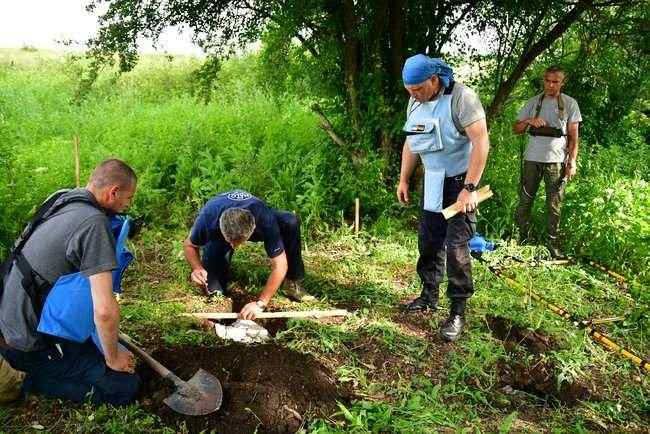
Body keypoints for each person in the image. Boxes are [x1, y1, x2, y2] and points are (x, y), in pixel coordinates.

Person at [0, 159, 140, 405]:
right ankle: (28, 377)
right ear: (113, 192)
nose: (128, 205)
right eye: (128, 198)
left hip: (14, 312)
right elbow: (105, 311)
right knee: (125, 387)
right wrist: (112, 357)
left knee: (106, 348)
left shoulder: (64, 197)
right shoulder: (94, 225)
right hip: (29, 339)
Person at [397, 54, 490, 342]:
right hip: (433, 181)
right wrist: (404, 178)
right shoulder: (415, 101)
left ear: (434, 80)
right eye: (409, 90)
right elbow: (412, 142)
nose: (413, 95)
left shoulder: (462, 98)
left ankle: (457, 311)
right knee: (428, 240)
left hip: (459, 184)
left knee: (456, 246)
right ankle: (428, 295)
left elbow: (481, 141)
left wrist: (470, 187)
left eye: (418, 89)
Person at [183, 189, 312, 320]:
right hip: (218, 229)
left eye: (237, 242)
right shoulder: (208, 219)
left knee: (290, 221)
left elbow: (280, 265)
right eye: (230, 242)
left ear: (253, 229)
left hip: (254, 217)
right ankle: (219, 294)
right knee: (215, 288)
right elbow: (189, 245)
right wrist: (197, 268)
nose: (233, 246)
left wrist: (260, 303)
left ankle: (291, 282)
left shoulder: (264, 219)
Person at [513, 66, 582, 258]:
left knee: (554, 204)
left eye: (555, 81)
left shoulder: (570, 103)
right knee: (525, 200)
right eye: (547, 81)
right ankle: (523, 240)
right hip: (532, 159)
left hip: (557, 161)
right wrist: (529, 121)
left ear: (562, 82)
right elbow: (516, 128)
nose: (550, 85)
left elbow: (574, 137)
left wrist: (572, 162)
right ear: (543, 80)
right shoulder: (533, 102)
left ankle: (552, 244)